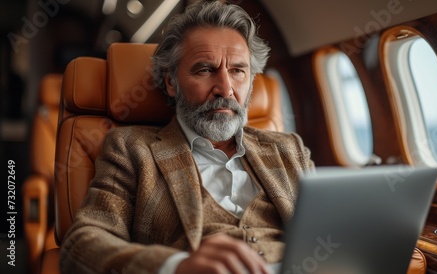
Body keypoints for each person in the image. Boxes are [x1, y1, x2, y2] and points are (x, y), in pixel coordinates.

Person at [59, 1, 315, 274]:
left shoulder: (288, 149)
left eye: (238, 70)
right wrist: (176, 267)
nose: (225, 89)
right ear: (171, 82)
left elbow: (331, 233)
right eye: (205, 70)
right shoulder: (131, 149)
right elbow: (82, 244)